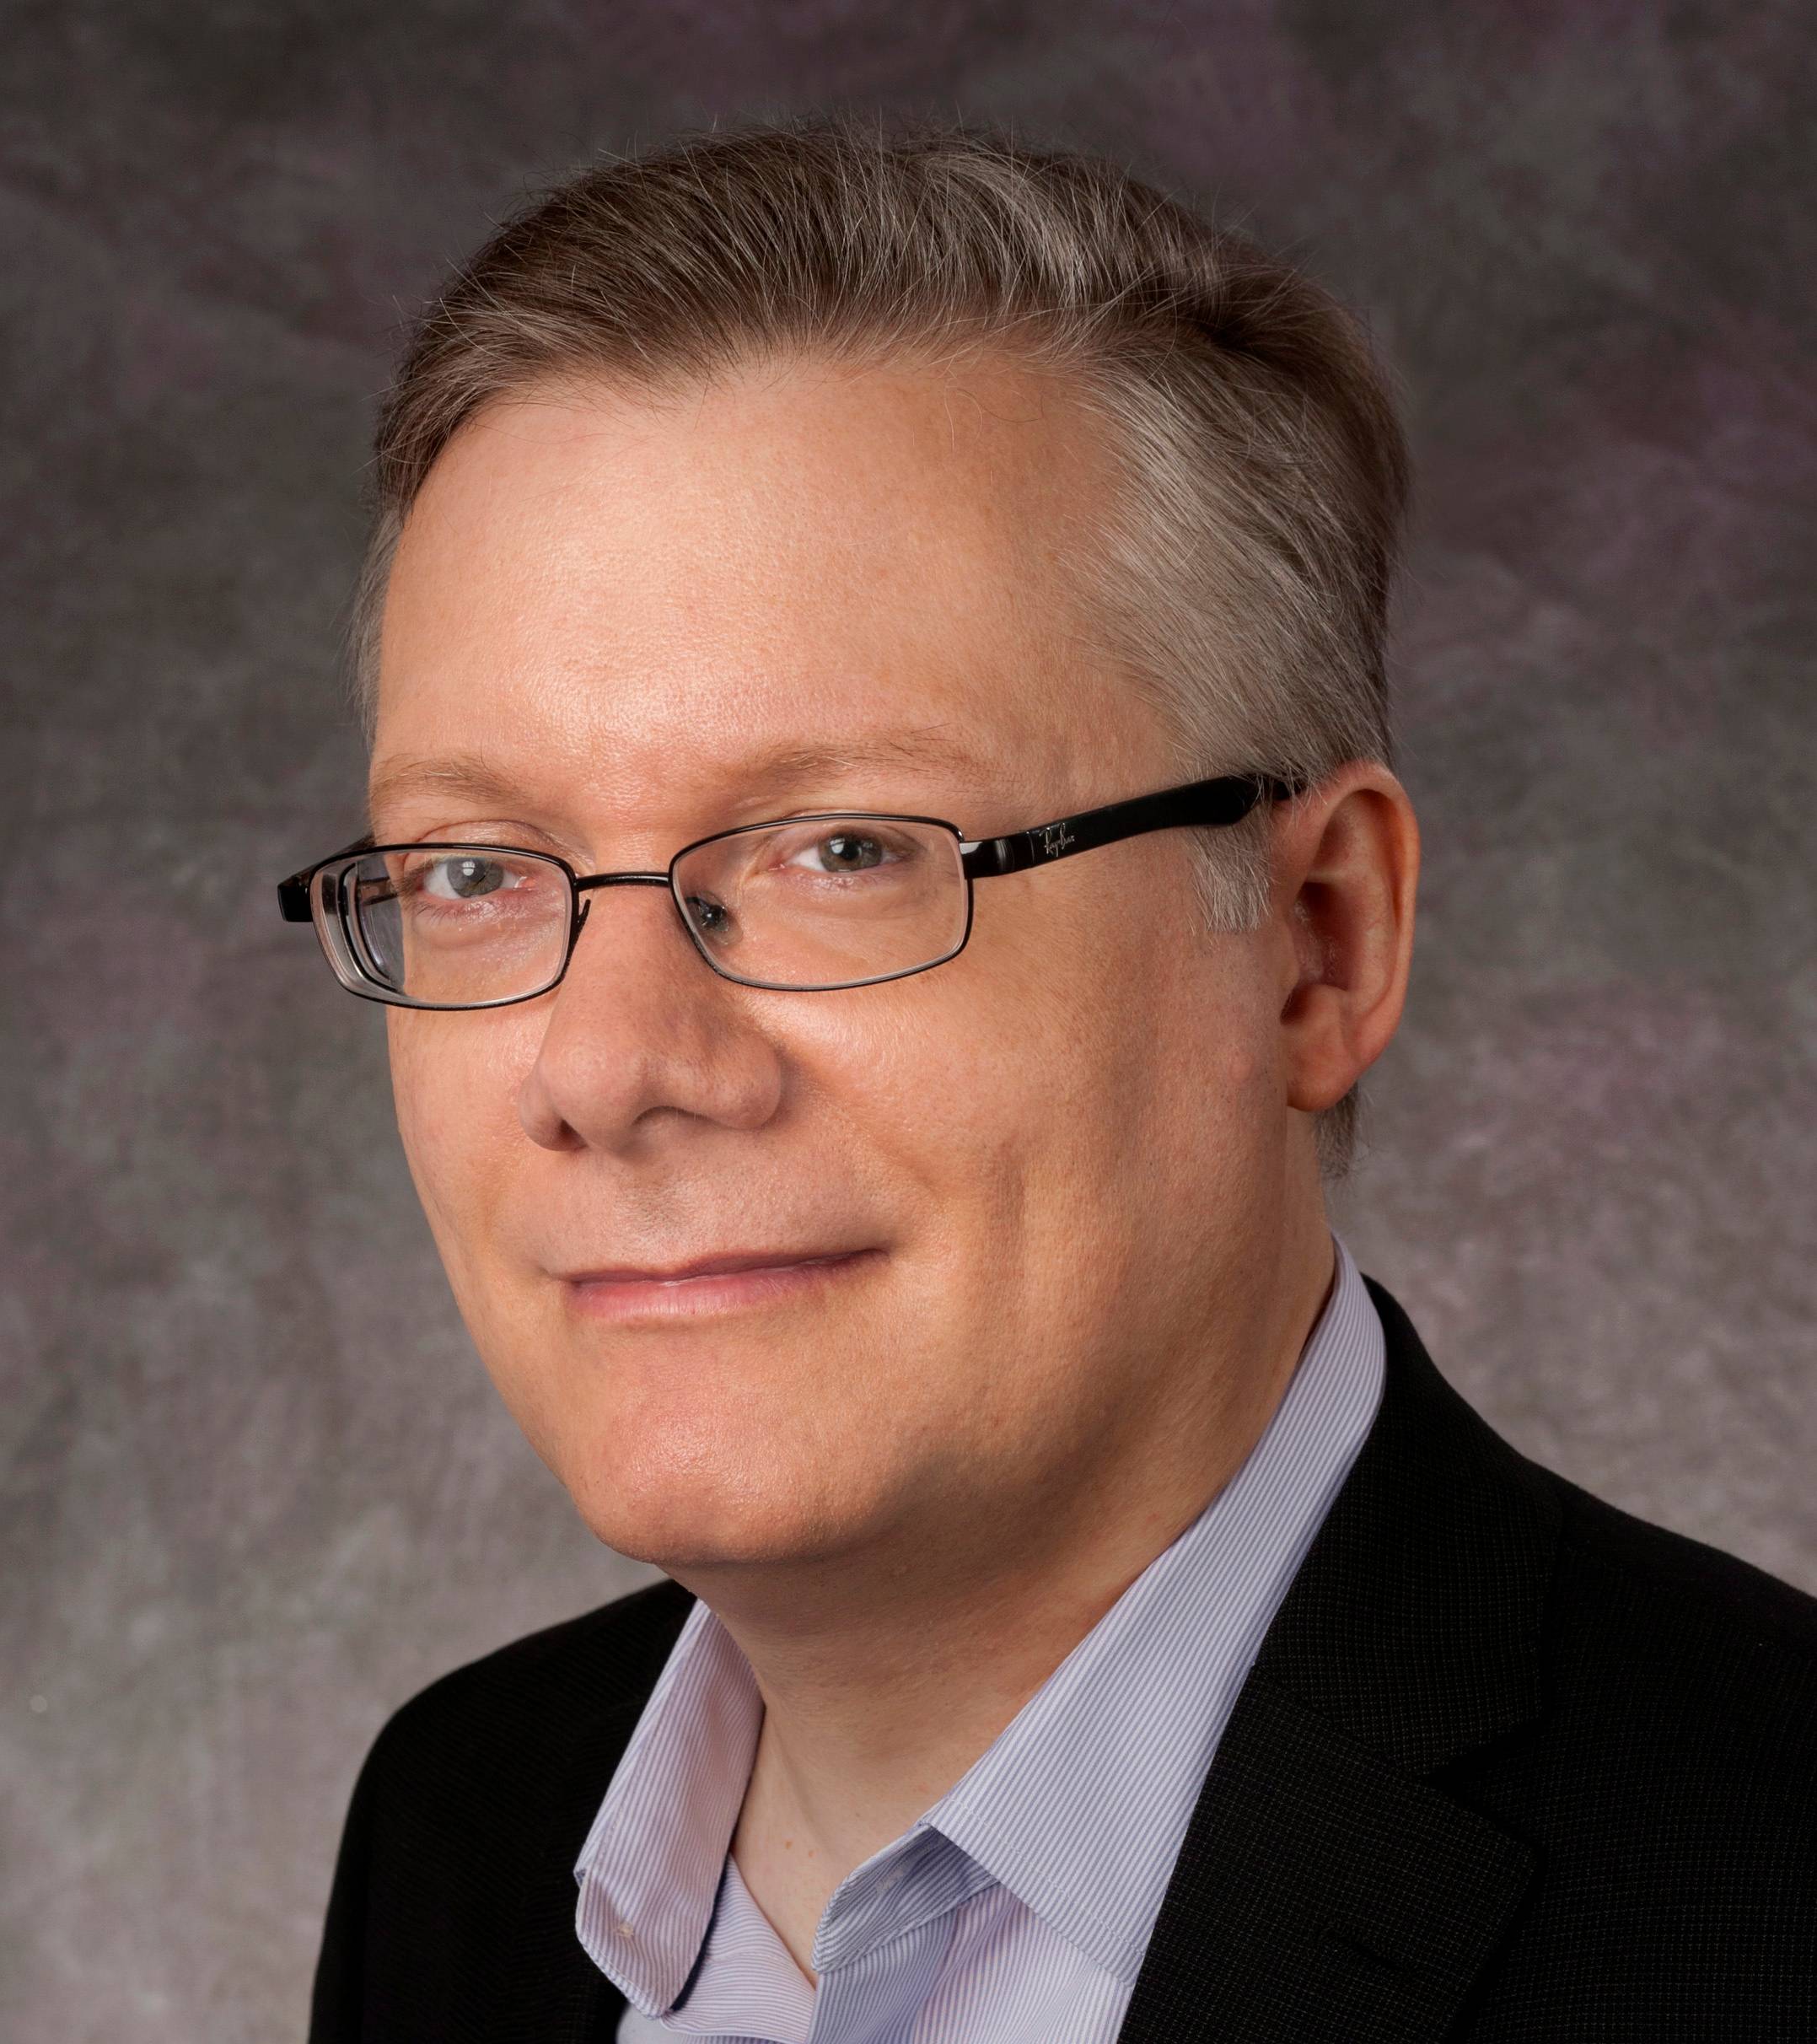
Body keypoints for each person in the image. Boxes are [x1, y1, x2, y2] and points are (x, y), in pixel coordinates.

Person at [285, 119, 1816, 2041]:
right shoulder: (462, 1824)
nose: (605, 1068)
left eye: (845, 850)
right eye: (474, 875)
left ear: (1317, 941)